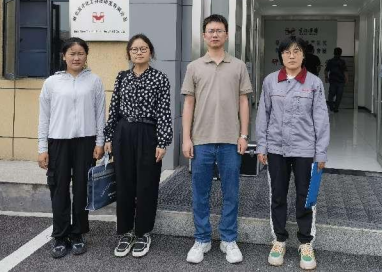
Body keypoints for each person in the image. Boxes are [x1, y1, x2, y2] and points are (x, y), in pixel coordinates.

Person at [181, 14, 253, 265]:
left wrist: (244, 135)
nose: (214, 34)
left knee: (231, 192)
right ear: (204, 36)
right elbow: (188, 104)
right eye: (210, 31)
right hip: (201, 140)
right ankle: (202, 239)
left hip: (230, 140)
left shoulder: (238, 66)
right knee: (200, 193)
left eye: (219, 30)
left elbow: (244, 102)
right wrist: (186, 138)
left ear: (226, 35)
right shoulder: (194, 67)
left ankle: (228, 239)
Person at [256, 36, 330, 270]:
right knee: (278, 195)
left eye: (296, 51)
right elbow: (263, 114)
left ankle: (305, 242)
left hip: (305, 149)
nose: (291, 55)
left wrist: (321, 153)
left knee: (305, 196)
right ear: (281, 56)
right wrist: (262, 146)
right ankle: (279, 239)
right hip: (276, 148)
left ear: (303, 55)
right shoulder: (270, 81)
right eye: (287, 51)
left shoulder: (314, 83)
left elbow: (321, 119)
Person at [104, 34, 173, 258]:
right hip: (123, 133)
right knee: (124, 183)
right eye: (134, 49)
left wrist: (162, 141)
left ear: (150, 52)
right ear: (129, 53)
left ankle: (143, 232)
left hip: (148, 133)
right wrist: (108, 137)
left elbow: (164, 112)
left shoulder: (160, 78)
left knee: (147, 184)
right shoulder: (122, 77)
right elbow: (114, 109)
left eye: (143, 49)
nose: (139, 52)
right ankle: (126, 231)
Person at [38, 37, 106, 259]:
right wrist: (42, 147)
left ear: (86, 56)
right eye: (72, 53)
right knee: (58, 188)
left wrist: (99, 142)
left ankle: (77, 233)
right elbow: (44, 118)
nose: (76, 58)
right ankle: (60, 235)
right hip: (58, 141)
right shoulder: (52, 83)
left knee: (82, 189)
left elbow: (100, 114)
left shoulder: (94, 81)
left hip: (86, 141)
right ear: (64, 56)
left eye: (80, 53)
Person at [324, 47, 348, 113]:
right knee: (339, 96)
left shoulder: (330, 61)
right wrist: (346, 79)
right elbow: (345, 71)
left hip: (333, 80)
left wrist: (326, 77)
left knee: (331, 95)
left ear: (334, 53)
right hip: (340, 81)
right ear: (341, 53)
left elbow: (326, 70)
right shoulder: (342, 61)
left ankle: (331, 107)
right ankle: (336, 108)